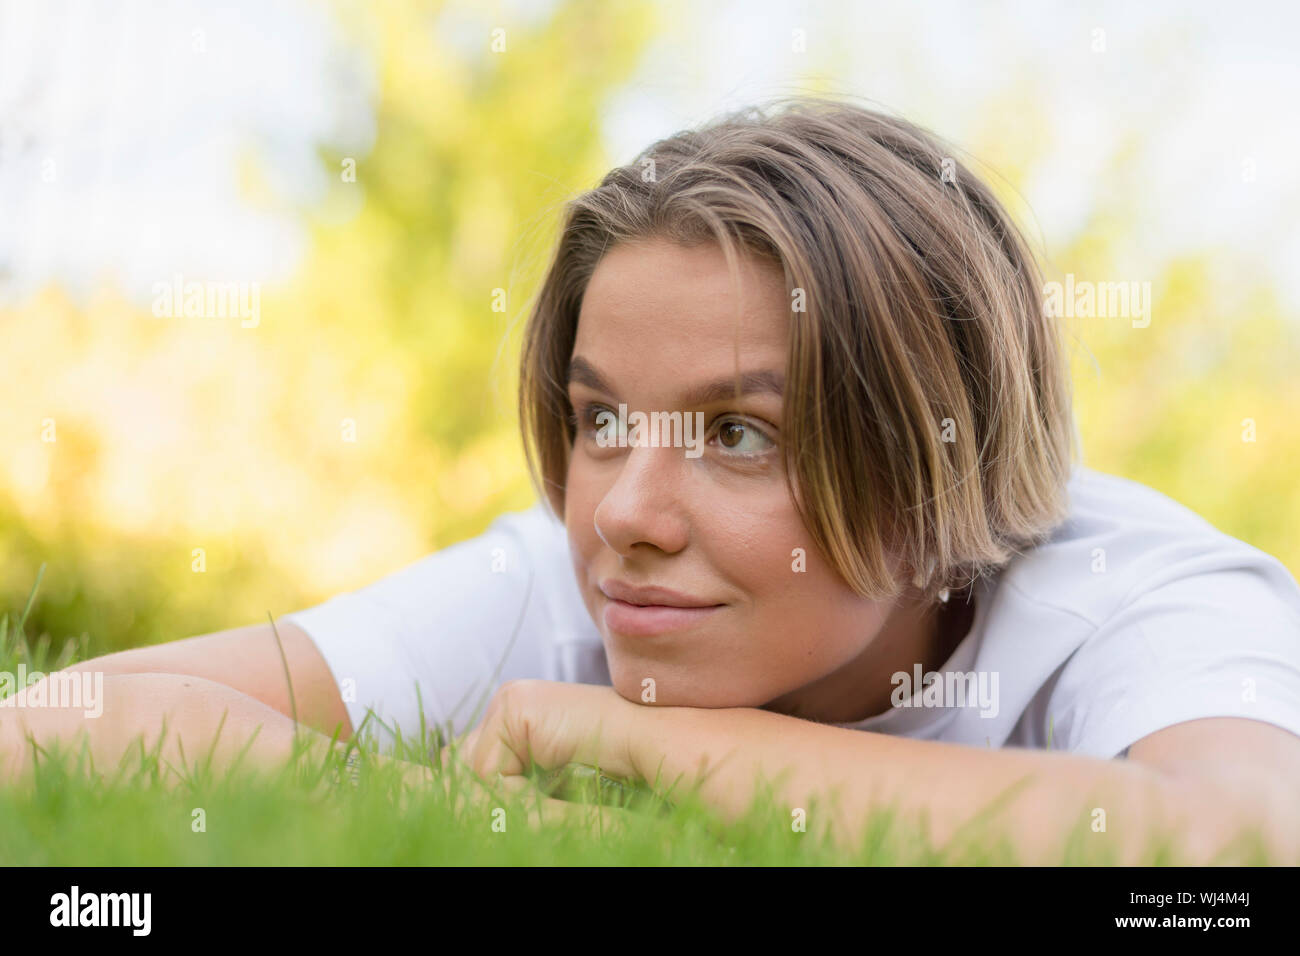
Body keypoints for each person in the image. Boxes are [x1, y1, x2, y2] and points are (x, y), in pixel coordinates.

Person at [5, 97, 1299, 863]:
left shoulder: (1147, 592)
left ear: (934, 457)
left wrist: (635, 743)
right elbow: (59, 728)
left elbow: (1235, 843)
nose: (622, 513)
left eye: (740, 434)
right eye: (600, 420)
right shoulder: (569, 586)